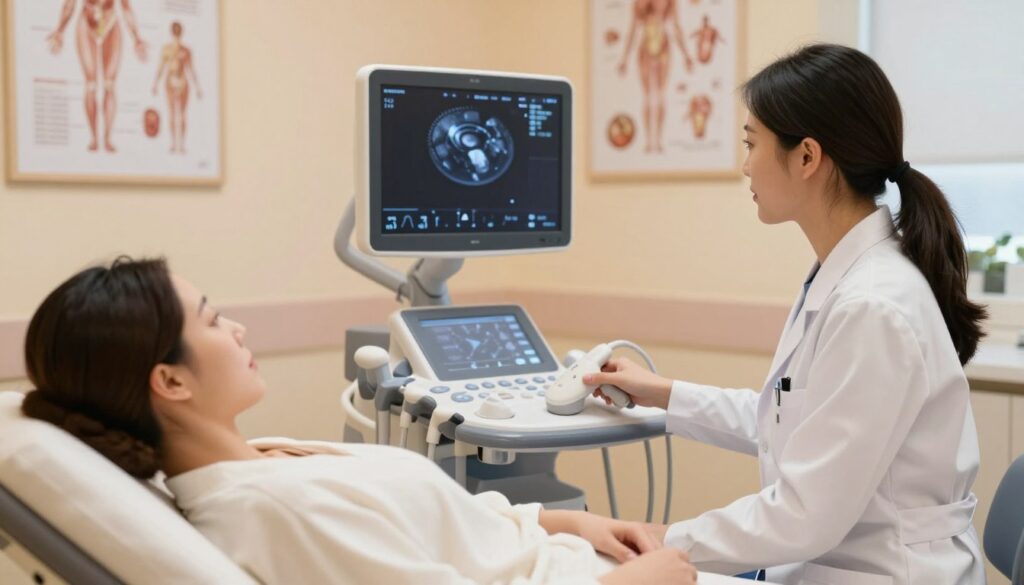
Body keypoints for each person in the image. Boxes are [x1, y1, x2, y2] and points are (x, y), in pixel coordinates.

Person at [21, 257, 696, 585]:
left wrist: (573, 522)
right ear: (169, 380)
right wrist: (663, 574)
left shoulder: (260, 458)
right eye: (212, 319)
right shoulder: (268, 508)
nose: (238, 327)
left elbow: (440, 525)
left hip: (588, 556)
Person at [587, 44, 988, 585]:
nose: (744, 163)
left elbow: (804, 515)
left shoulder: (872, 305)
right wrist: (663, 392)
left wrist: (660, 540)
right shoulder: (847, 275)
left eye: (752, 143)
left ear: (806, 157)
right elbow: (789, 421)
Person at [46, 0, 148, 153]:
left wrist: (137, 38)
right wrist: (60, 30)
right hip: (86, 21)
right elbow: (70, 3)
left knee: (109, 85)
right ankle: (94, 137)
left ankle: (107, 138)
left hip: (111, 21)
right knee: (91, 84)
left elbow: (125, 6)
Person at [617, 0, 695, 153]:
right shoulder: (639, 4)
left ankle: (658, 140)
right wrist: (624, 59)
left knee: (660, 95)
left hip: (663, 47)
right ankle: (648, 141)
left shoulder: (670, 3)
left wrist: (686, 55)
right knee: (648, 96)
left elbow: (676, 26)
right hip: (645, 48)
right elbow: (633, 30)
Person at [152, 21, 203, 154]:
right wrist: (155, 84)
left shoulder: (186, 51)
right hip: (170, 82)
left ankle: (182, 145)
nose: (176, 35)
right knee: (172, 114)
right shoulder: (166, 49)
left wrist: (197, 87)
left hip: (183, 82)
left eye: (178, 32)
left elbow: (191, 69)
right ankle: (174, 144)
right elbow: (161, 67)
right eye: (175, 32)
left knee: (182, 115)